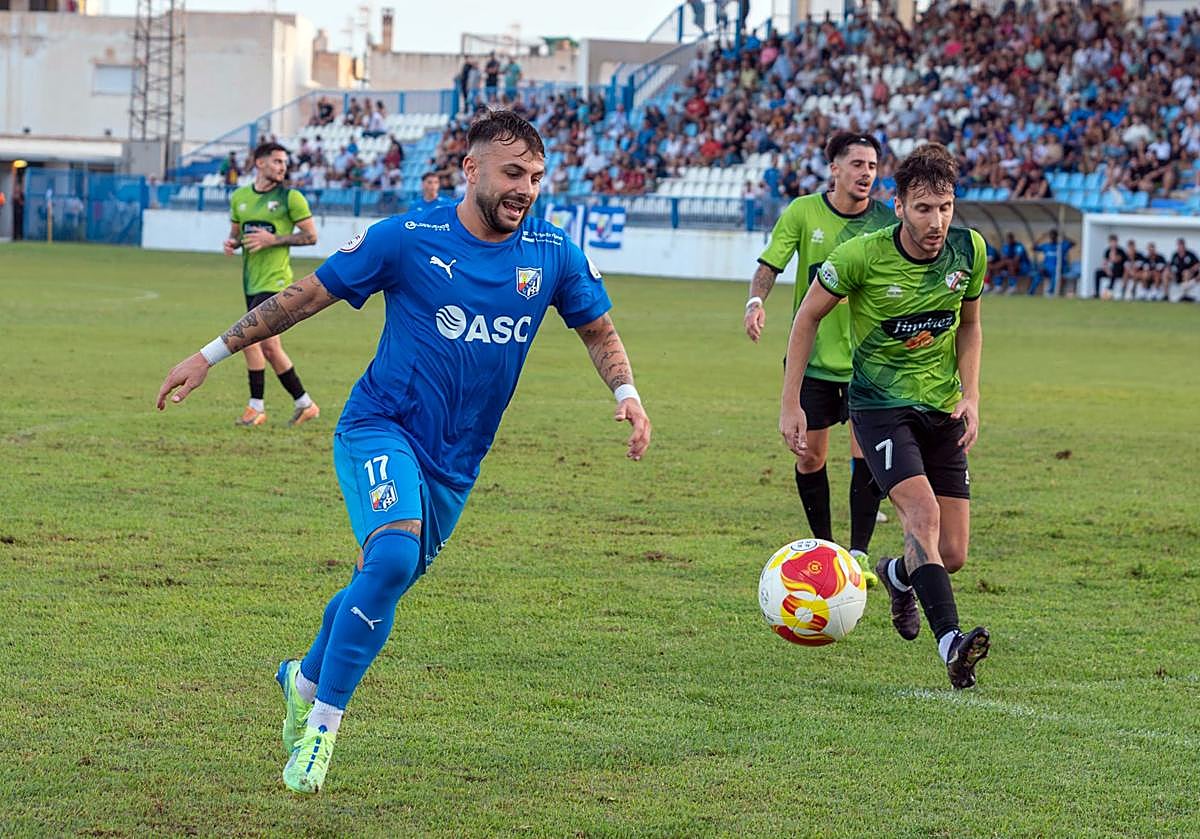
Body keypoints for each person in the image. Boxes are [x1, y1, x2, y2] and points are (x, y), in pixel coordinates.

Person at [155, 110, 652, 794]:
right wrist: (211, 354)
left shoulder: (552, 251)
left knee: (382, 579)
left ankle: (301, 678)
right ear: (469, 169)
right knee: (388, 558)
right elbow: (304, 296)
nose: (526, 189)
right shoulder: (407, 236)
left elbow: (597, 329)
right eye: (512, 174)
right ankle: (322, 729)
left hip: (458, 459)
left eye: (536, 177)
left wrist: (626, 390)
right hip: (379, 425)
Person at [778, 143, 990, 690]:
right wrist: (791, 400)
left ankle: (897, 575)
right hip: (878, 409)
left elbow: (970, 324)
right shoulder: (860, 256)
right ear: (898, 207)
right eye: (923, 208)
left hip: (942, 409)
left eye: (945, 207)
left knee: (952, 553)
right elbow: (804, 321)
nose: (936, 221)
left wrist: (971, 395)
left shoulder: (969, 251)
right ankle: (951, 644)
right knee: (921, 516)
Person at [745, 132, 896, 583]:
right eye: (857, 164)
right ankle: (828, 551)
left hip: (868, 363)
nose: (866, 173)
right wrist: (756, 302)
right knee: (809, 458)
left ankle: (860, 555)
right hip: (811, 361)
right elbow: (770, 265)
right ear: (834, 168)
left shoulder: (886, 222)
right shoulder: (803, 211)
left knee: (866, 457)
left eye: (872, 165)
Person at [224, 141, 320, 427]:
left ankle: (256, 407)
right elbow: (237, 235)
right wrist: (232, 243)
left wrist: (274, 240)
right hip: (251, 281)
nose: (282, 167)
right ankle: (305, 404)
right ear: (260, 162)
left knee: (247, 338)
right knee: (269, 348)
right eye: (277, 161)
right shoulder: (240, 197)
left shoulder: (291, 198)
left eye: (285, 163)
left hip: (277, 281)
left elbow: (311, 236)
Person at [1094, 234, 1128, 300]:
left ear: (1116, 242)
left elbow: (1115, 260)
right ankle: (1097, 293)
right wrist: (1107, 270)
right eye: (1111, 242)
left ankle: (1110, 289)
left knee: (1115, 268)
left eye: (1114, 242)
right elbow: (1105, 263)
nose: (1112, 244)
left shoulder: (1121, 251)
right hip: (1110, 271)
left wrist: (1113, 252)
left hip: (1120, 271)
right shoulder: (1107, 251)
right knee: (1097, 272)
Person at [1168, 237, 1200, 302]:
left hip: (1189, 277)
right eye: (1179, 245)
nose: (1180, 246)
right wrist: (1171, 273)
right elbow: (1170, 265)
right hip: (1177, 277)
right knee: (1167, 274)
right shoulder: (1175, 255)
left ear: (1184, 245)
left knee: (1186, 273)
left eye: (1181, 245)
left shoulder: (1190, 254)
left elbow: (1197, 264)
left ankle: (1185, 295)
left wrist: (1191, 270)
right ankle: (1166, 295)